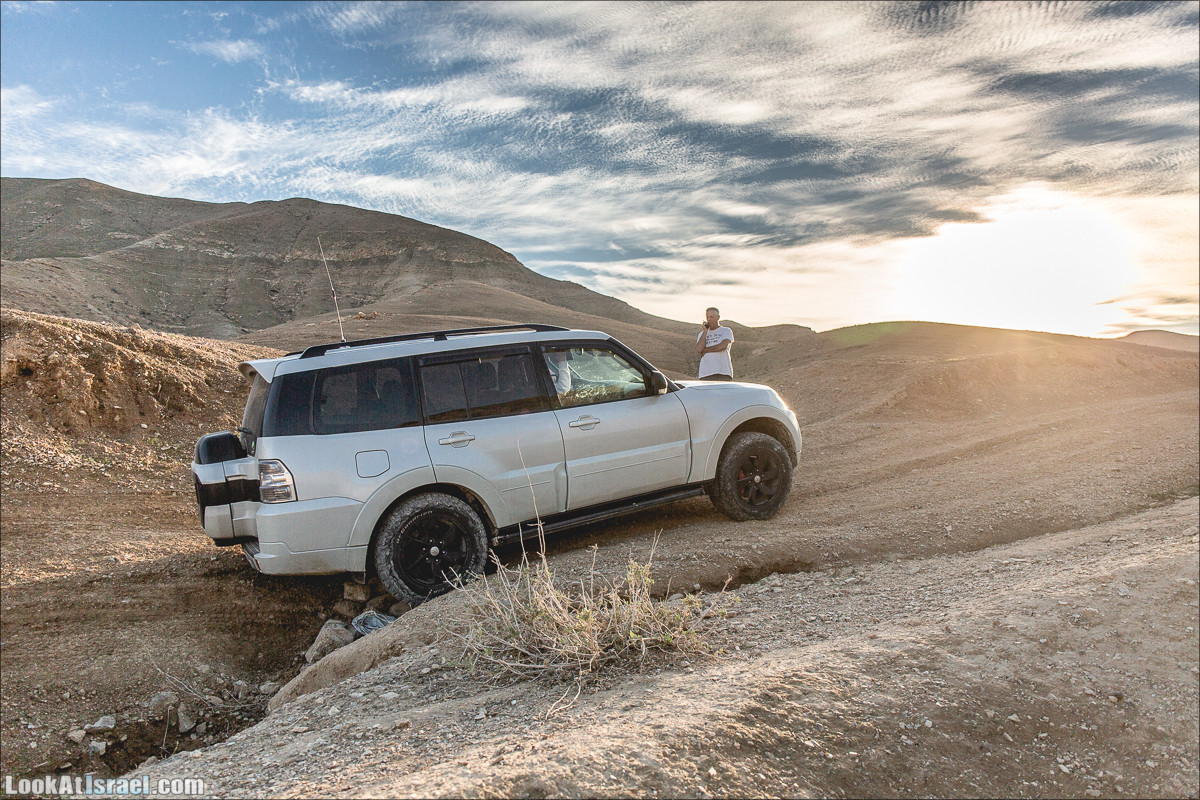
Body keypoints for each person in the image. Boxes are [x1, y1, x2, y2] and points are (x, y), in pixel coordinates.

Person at [696, 307, 734, 380]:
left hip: (722, 372)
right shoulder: (701, 334)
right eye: (708, 317)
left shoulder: (725, 330)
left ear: (718, 317)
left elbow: (723, 346)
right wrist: (705, 332)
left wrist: (706, 350)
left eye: (712, 317)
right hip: (705, 373)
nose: (709, 319)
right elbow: (699, 349)